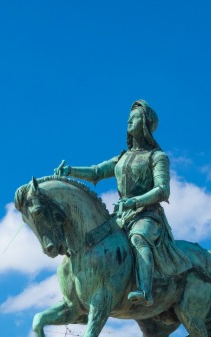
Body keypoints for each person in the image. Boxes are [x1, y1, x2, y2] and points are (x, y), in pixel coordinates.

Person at [55, 100, 187, 305]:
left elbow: (162, 190)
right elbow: (96, 172)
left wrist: (135, 202)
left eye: (135, 117)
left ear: (145, 124)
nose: (129, 120)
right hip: (121, 215)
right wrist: (70, 171)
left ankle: (145, 291)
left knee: (138, 238)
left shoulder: (157, 157)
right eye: (129, 117)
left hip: (147, 215)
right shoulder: (122, 158)